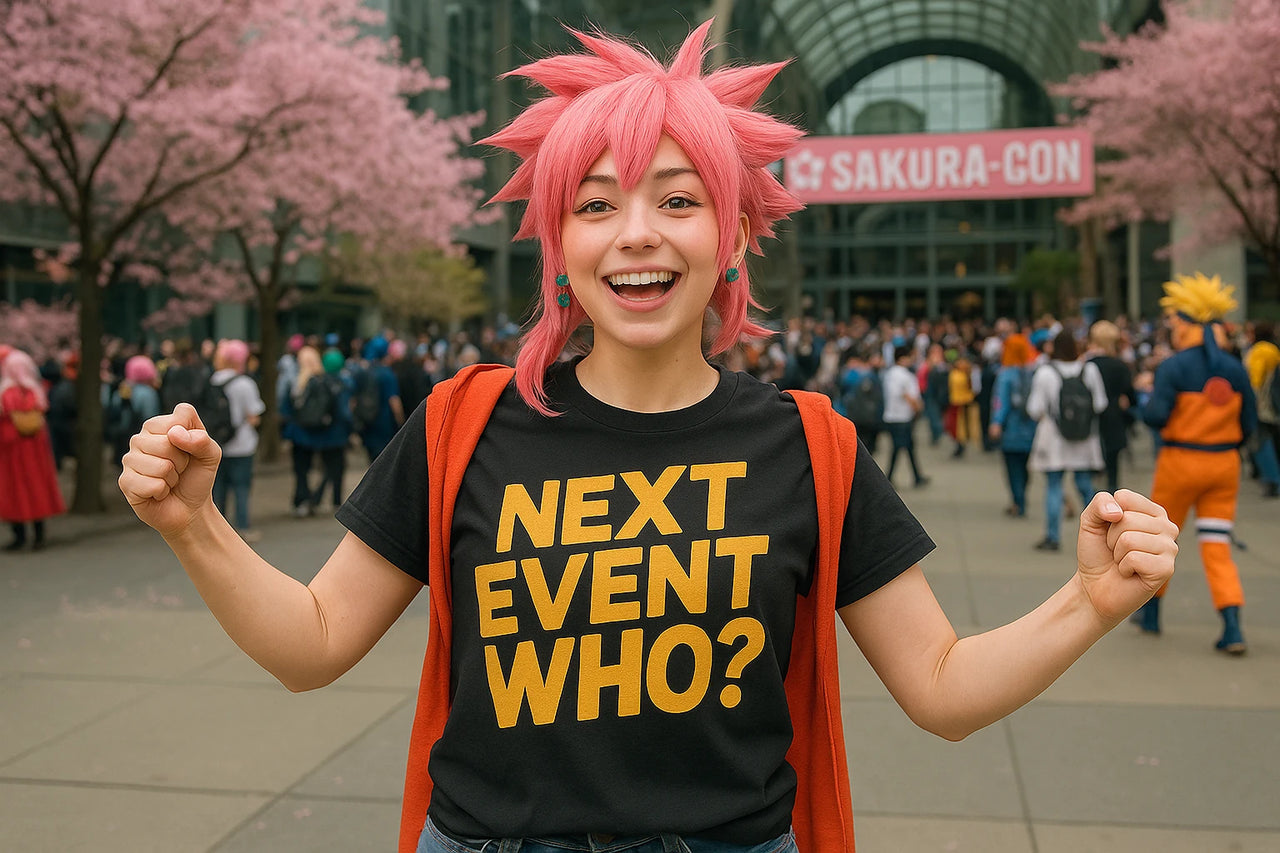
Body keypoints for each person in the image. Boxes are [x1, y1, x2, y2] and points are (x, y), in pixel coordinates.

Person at [118, 22, 1178, 853]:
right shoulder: (460, 425)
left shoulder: (810, 447)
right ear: (558, 243)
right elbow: (313, 643)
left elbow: (940, 685)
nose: (636, 234)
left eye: (677, 199)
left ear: (732, 234)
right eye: (594, 205)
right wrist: (192, 524)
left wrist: (1087, 601)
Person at [1134, 273, 1254, 654]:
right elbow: (1249, 424)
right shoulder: (1234, 368)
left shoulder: (1173, 367)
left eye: (1173, 322)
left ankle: (1151, 614)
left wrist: (1144, 397)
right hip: (1224, 465)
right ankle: (1232, 624)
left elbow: (1156, 416)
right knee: (1217, 544)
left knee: (1161, 541)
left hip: (1179, 463)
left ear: (1185, 324)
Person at [1026, 329, 1109, 551]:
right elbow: (1100, 404)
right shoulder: (1089, 370)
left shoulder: (1045, 372)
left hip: (1054, 439)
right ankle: (1102, 532)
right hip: (1084, 439)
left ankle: (1053, 536)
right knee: (1085, 485)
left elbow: (1035, 408)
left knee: (1054, 486)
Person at [1, 348, 66, 551]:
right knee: (37, 489)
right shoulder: (37, 392)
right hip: (35, 452)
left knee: (14, 491)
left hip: (12, 452)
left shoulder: (7, 393)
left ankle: (19, 536)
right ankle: (39, 535)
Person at [209, 339, 265, 542]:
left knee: (218, 489)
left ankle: (218, 531)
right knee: (241, 487)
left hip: (216, 443)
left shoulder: (212, 381)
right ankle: (243, 527)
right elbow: (254, 415)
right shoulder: (245, 384)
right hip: (242, 444)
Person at [281, 345, 347, 516]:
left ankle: (302, 501)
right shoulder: (326, 381)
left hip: (299, 433)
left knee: (301, 470)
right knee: (327, 467)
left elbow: (285, 407)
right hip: (321, 432)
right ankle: (317, 498)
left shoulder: (295, 382)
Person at [988, 333, 1038, 518]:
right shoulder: (1032, 373)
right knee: (1025, 467)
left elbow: (1001, 402)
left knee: (1013, 468)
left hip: (1011, 430)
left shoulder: (1005, 375)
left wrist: (996, 423)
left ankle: (1019, 501)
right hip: (1030, 430)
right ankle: (1022, 497)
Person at [1086, 321, 1136, 495]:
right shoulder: (1120, 366)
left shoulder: (1087, 365)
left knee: (1092, 468)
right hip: (1114, 419)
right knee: (1113, 469)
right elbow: (1131, 396)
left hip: (1091, 420)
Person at [881, 344, 928, 488]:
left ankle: (915, 476)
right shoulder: (900, 374)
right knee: (899, 447)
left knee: (907, 447)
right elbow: (903, 393)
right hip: (900, 417)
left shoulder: (890, 374)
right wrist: (916, 406)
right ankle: (889, 478)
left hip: (896, 416)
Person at [1242, 320, 1280, 498]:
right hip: (1271, 404)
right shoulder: (1273, 349)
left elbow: (1254, 380)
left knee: (1260, 442)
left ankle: (1272, 479)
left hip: (1261, 405)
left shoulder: (1260, 350)